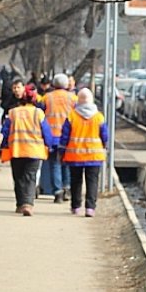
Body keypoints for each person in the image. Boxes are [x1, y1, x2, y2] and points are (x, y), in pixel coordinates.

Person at [0, 85, 54, 215]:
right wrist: (49, 144)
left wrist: (3, 146)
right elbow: (46, 131)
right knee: (30, 177)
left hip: (16, 149)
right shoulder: (38, 113)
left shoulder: (13, 112)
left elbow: (5, 131)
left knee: (18, 177)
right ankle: (28, 204)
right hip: (34, 150)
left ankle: (20, 204)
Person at [60, 87, 109, 217]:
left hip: (75, 155)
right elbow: (105, 135)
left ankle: (76, 206)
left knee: (76, 181)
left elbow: (65, 136)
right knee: (92, 182)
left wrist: (62, 149)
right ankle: (90, 208)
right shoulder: (99, 117)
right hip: (94, 155)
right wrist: (104, 145)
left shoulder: (71, 116)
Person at [41, 73, 77, 203]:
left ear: (53, 84)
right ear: (66, 84)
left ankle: (57, 192)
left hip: (51, 136)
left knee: (54, 164)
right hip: (68, 137)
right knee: (67, 163)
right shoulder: (73, 99)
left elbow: (40, 115)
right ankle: (67, 187)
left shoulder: (47, 98)